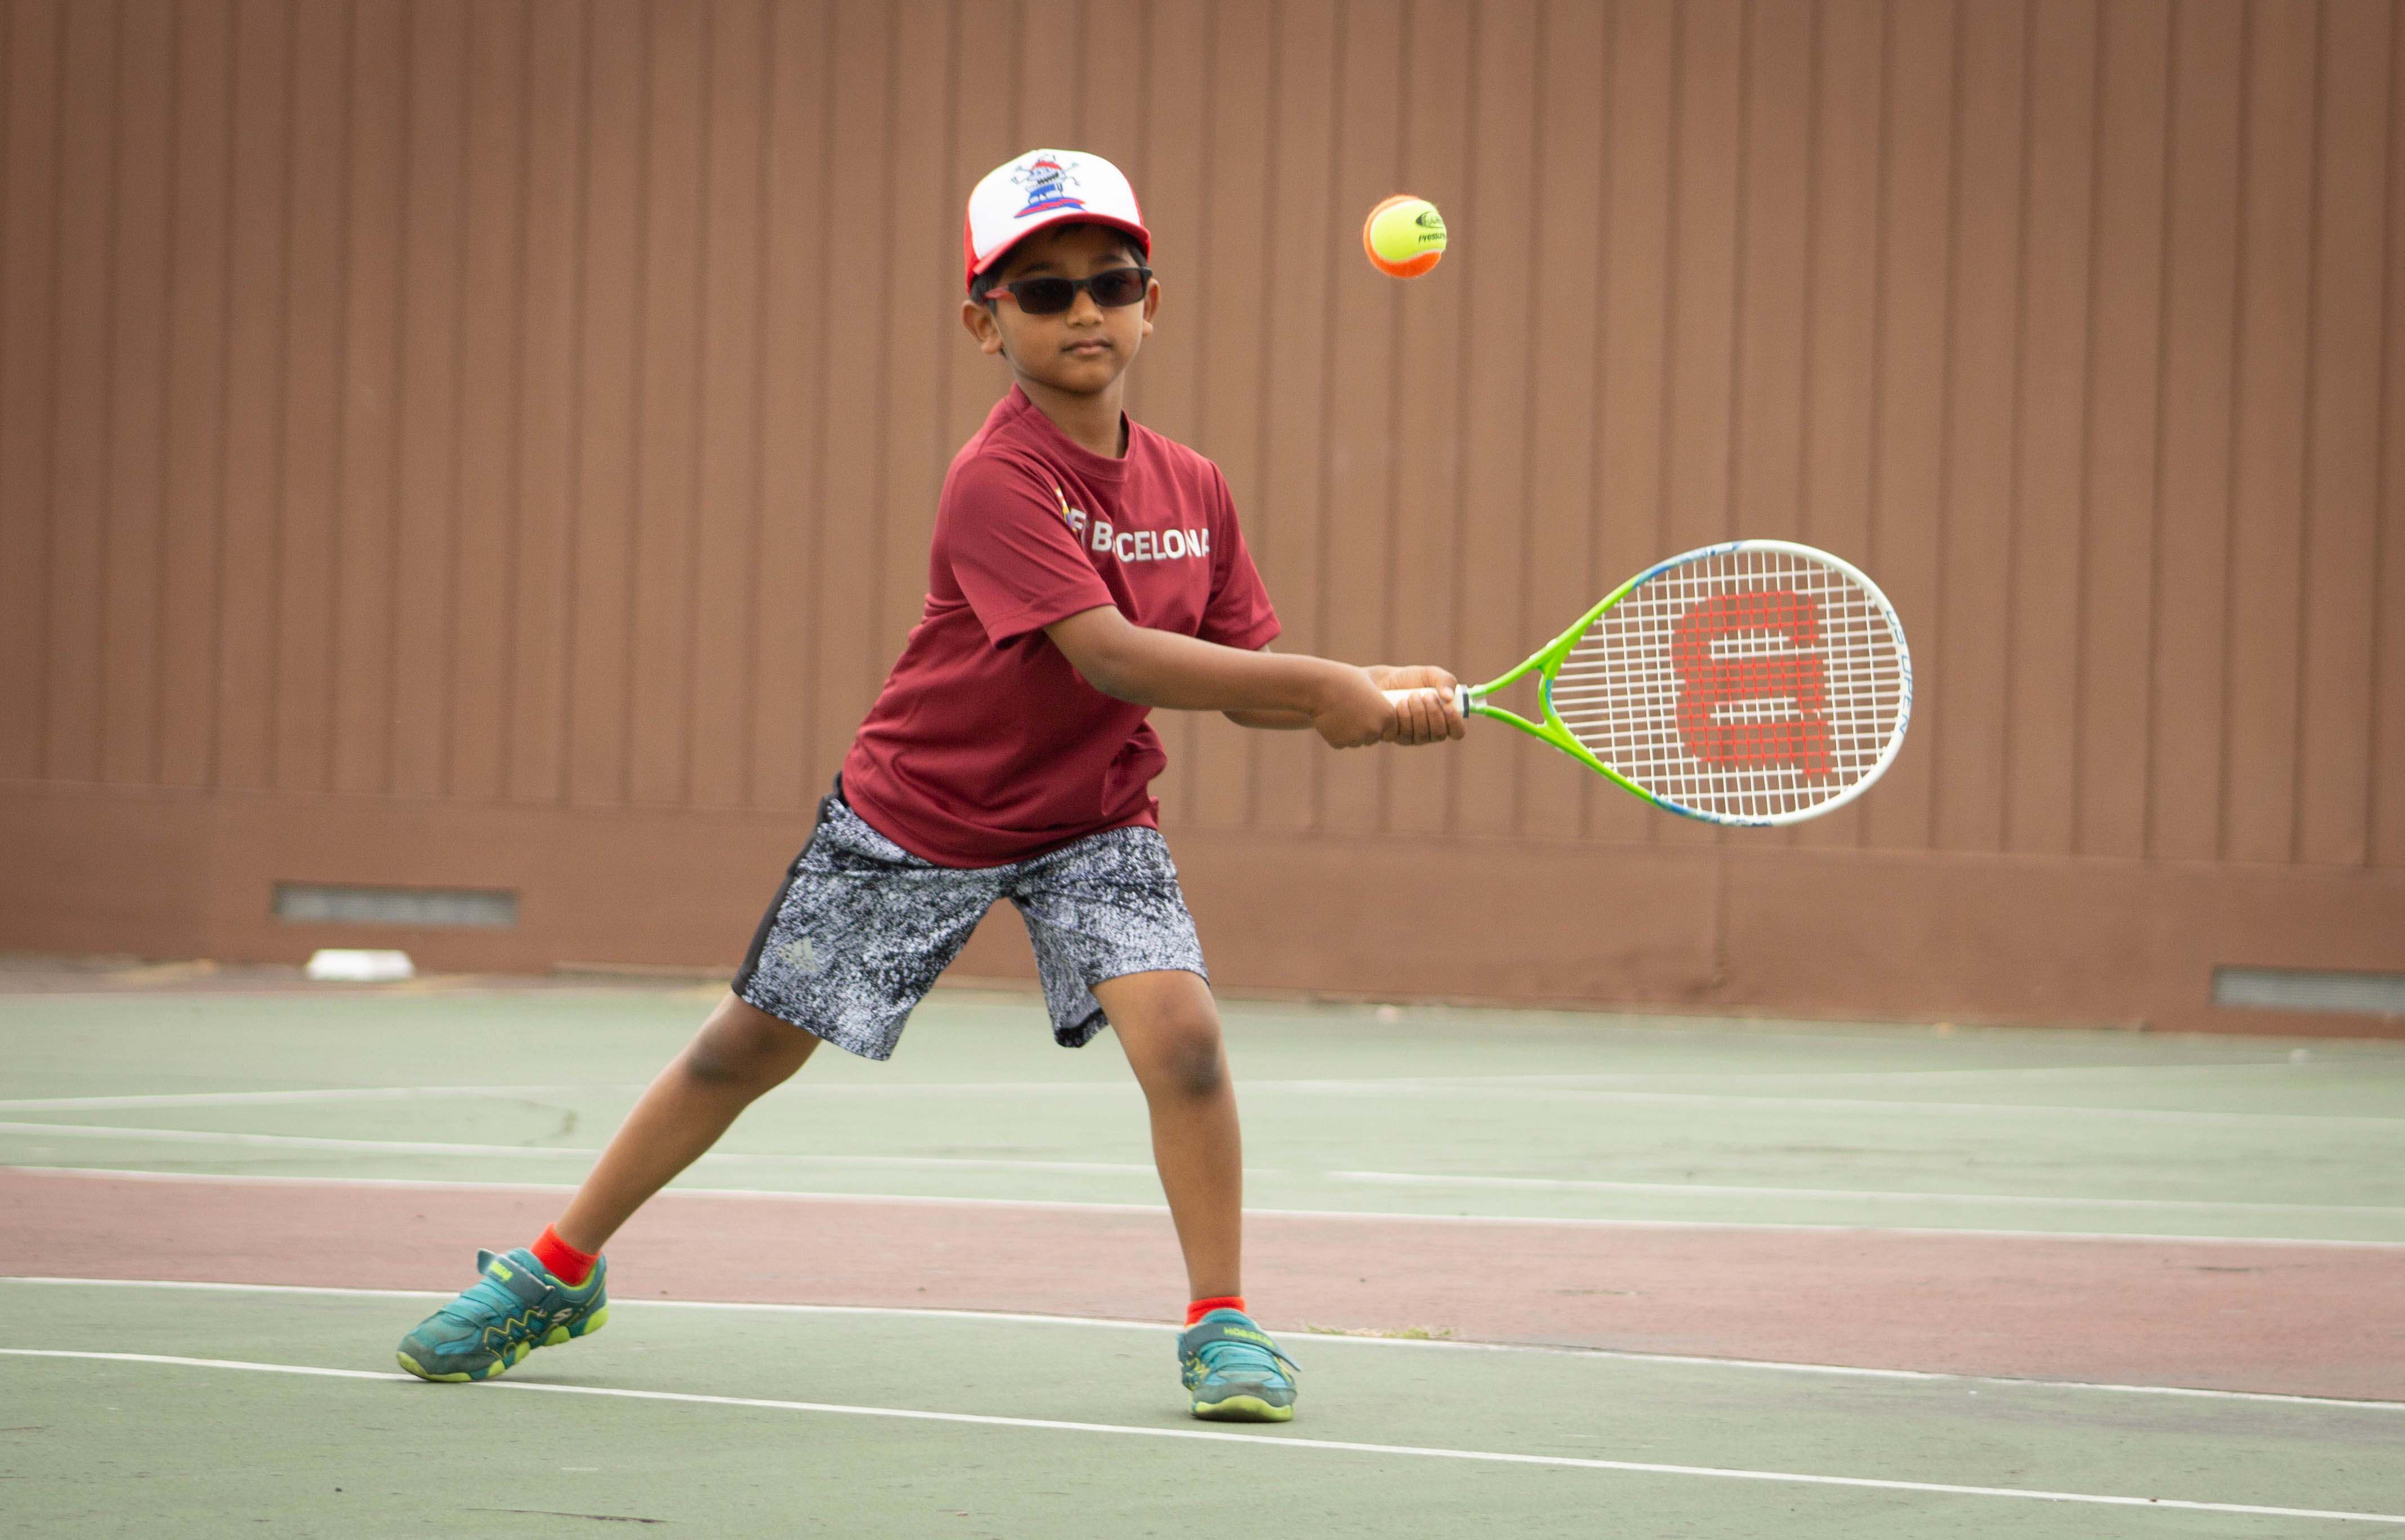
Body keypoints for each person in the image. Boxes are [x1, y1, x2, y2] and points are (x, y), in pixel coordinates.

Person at [395, 148, 1463, 1422]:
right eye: (1041, 289)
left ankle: (1220, 1320)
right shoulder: (995, 479)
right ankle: (557, 1269)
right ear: (983, 321)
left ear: (1149, 304)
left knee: (1182, 1044)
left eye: (1108, 282)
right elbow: (1110, 653)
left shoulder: (1195, 488)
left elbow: (1234, 674)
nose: (1081, 310)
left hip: (1093, 818)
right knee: (748, 1046)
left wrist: (1369, 687)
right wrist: (1330, 687)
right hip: (920, 814)